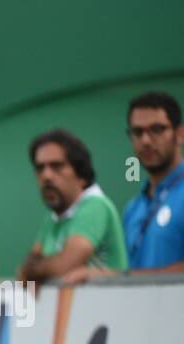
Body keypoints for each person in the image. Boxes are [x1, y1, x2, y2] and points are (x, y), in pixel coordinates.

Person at [67, 91, 184, 283]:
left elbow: (124, 275)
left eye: (157, 129)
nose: (146, 140)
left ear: (179, 134)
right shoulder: (133, 208)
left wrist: (119, 276)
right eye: (138, 132)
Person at [17, 129, 127, 282]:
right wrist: (34, 271)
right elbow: (25, 269)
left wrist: (34, 271)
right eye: (40, 168)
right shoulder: (53, 217)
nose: (46, 176)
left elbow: (63, 266)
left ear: (81, 175)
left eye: (57, 166)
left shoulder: (95, 206)